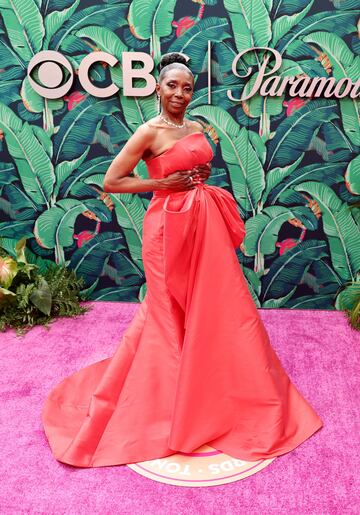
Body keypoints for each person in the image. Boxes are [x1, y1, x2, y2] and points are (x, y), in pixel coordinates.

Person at [41, 52, 323, 468]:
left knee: (211, 304)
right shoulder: (148, 131)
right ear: (158, 88)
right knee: (167, 307)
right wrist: (162, 182)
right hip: (167, 227)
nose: (179, 93)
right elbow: (112, 181)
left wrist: (198, 175)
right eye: (172, 85)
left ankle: (209, 382)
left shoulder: (193, 126)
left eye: (187, 87)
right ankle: (171, 400)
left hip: (202, 223)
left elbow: (195, 162)